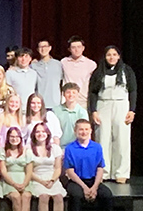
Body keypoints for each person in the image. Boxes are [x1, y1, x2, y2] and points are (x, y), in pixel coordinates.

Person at [89, 46, 136, 184]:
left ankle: (121, 172)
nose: (111, 57)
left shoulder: (126, 71)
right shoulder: (99, 72)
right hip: (103, 105)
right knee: (102, 138)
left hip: (121, 105)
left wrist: (132, 110)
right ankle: (103, 172)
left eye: (114, 54)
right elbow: (93, 92)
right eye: (109, 55)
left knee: (122, 139)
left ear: (119, 56)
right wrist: (93, 110)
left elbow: (133, 90)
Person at [64, 119, 113, 211]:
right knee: (76, 196)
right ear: (75, 131)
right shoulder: (70, 148)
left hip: (93, 180)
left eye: (86, 129)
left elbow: (100, 168)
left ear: (91, 131)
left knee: (107, 195)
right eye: (81, 129)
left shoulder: (97, 147)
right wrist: (85, 188)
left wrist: (95, 187)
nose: (84, 132)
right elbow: (70, 171)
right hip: (77, 181)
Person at [28, 123, 66, 211]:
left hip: (52, 177)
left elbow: (58, 168)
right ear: (34, 134)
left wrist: (53, 180)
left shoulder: (55, 148)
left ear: (47, 134)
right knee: (44, 196)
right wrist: (42, 182)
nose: (41, 134)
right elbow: (29, 171)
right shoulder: (29, 149)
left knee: (58, 196)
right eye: (38, 132)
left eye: (43, 132)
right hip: (36, 178)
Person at [0, 127, 33, 211]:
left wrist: (24, 183)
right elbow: (3, 171)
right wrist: (14, 184)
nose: (14, 139)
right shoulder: (2, 151)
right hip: (9, 179)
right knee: (16, 196)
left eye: (17, 136)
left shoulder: (27, 151)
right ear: (8, 138)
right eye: (12, 136)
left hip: (23, 178)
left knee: (26, 196)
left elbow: (29, 171)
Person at [61, 36, 98, 109]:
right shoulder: (63, 62)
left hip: (83, 100)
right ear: (69, 49)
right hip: (67, 99)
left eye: (79, 47)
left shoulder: (91, 64)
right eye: (73, 47)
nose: (76, 50)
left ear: (83, 48)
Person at [52, 83, 89, 148]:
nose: (71, 95)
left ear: (78, 94)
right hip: (60, 147)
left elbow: (86, 132)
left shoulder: (82, 112)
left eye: (74, 92)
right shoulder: (55, 111)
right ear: (63, 94)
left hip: (77, 147)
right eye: (68, 92)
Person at [31, 41, 64, 108]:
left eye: (45, 46)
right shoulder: (33, 66)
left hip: (56, 103)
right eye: (40, 47)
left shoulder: (58, 64)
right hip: (39, 104)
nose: (43, 49)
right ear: (37, 49)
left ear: (50, 48)